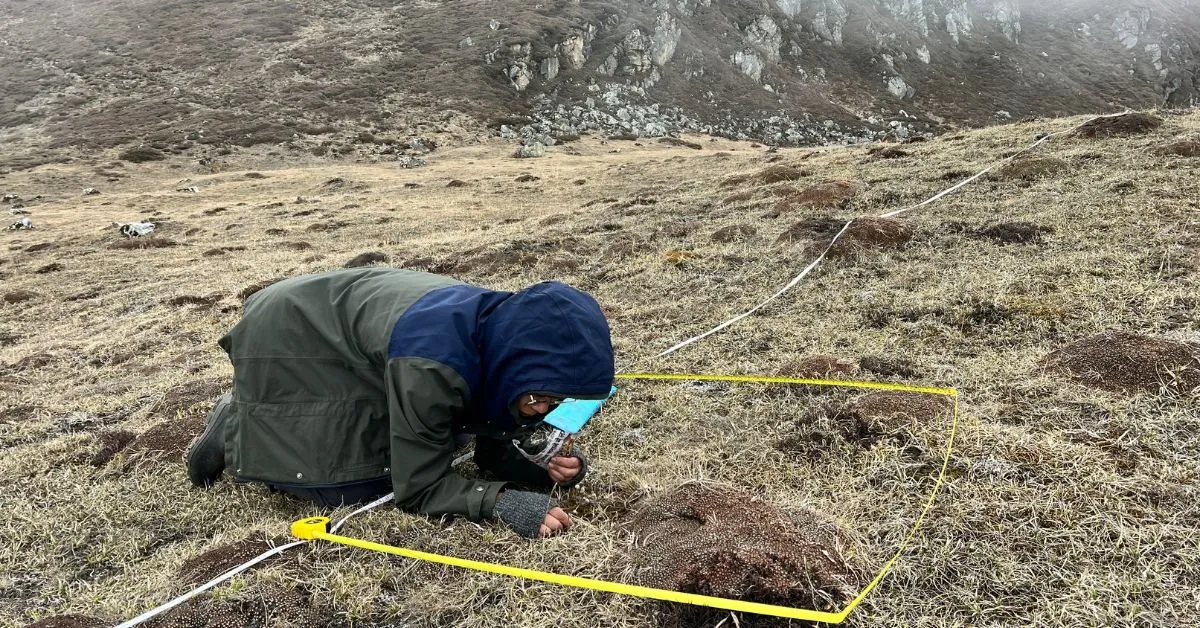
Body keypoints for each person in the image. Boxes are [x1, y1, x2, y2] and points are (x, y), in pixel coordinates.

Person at [185, 267, 615, 538]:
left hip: (367, 325)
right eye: (540, 398)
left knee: (441, 433)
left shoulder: (506, 334)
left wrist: (534, 466)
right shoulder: (432, 367)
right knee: (356, 484)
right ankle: (237, 419)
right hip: (295, 332)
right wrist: (502, 503)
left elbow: (488, 421)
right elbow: (418, 488)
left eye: (555, 400)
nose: (544, 411)